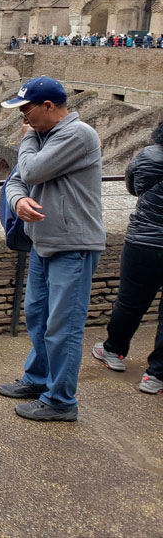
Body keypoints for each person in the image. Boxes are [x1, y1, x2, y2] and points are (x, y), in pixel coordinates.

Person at [0, 77, 105, 421]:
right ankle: (38, 378)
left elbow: (31, 168)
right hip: (43, 242)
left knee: (64, 325)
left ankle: (61, 400)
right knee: (38, 317)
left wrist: (28, 138)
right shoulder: (43, 136)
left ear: (48, 106)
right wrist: (18, 202)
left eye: (26, 111)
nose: (23, 120)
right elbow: (16, 179)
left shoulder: (78, 135)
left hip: (73, 244)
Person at [91, 119, 163, 394]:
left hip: (144, 241)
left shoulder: (147, 156)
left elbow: (133, 187)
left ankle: (114, 352)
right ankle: (155, 376)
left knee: (131, 302)